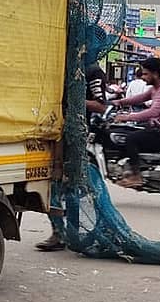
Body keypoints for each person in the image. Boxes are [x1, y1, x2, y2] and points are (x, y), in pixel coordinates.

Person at [35, 60, 108, 252]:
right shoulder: (61, 64)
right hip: (54, 133)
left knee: (70, 184)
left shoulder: (93, 72)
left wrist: (74, 100)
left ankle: (71, 232)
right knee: (52, 184)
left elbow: (101, 106)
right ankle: (59, 232)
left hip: (74, 137)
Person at [111, 57, 160, 188]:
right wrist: (119, 102)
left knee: (131, 139)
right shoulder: (156, 87)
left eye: (145, 74)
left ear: (155, 74)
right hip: (156, 127)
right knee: (124, 131)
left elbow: (152, 112)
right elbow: (141, 98)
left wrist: (127, 117)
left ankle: (136, 176)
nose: (143, 77)